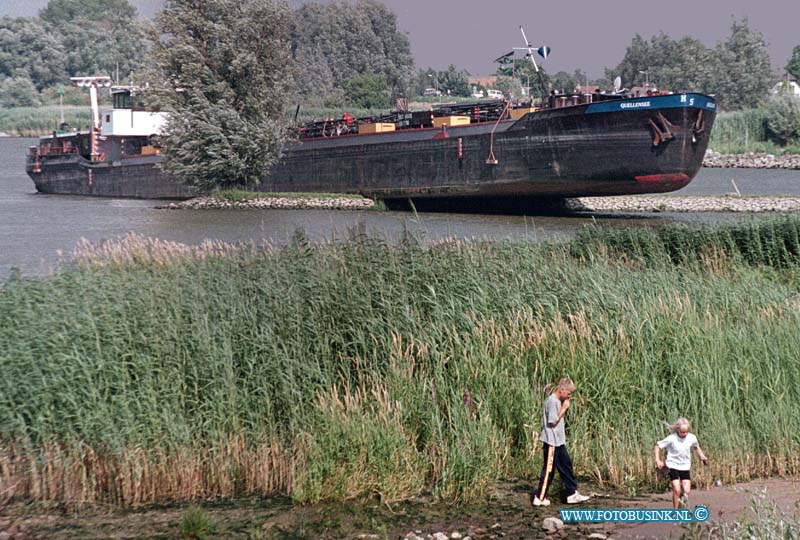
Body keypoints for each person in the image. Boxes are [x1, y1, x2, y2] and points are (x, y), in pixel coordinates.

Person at [532, 377, 591, 506]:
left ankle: (572, 494)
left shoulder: (558, 400)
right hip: (552, 442)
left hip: (559, 441)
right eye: (568, 393)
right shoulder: (553, 402)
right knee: (549, 471)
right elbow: (552, 422)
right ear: (562, 390)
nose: (569, 397)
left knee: (566, 466)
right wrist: (564, 409)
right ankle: (539, 497)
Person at [654, 417, 708, 509]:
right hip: (672, 465)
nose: (685, 434)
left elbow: (696, 447)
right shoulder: (672, 438)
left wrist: (702, 456)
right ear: (678, 430)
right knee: (676, 489)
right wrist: (658, 460)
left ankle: (681, 507)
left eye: (686, 432)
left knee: (686, 491)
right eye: (682, 432)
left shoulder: (692, 437)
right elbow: (657, 446)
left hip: (685, 466)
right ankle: (676, 511)